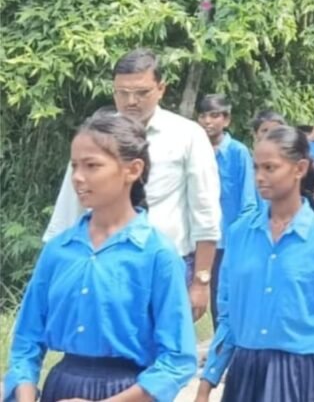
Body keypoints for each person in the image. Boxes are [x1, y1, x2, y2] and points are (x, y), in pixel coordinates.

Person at [4, 113, 197, 402]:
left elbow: (177, 360)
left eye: (92, 165)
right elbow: (26, 341)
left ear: (133, 170)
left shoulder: (157, 255)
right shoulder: (58, 250)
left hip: (129, 393)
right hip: (61, 389)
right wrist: (25, 396)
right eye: (74, 166)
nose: (78, 177)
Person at [42, 48, 221, 320]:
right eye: (122, 93)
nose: (130, 101)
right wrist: (51, 272)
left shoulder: (187, 136)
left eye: (141, 93)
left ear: (161, 89)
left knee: (162, 341)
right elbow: (69, 207)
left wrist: (201, 281)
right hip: (100, 265)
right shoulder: (95, 135)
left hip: (165, 266)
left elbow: (205, 211)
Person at [196, 126, 314, 402]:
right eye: (256, 168)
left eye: (270, 168)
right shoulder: (239, 234)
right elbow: (229, 317)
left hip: (303, 376)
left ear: (300, 169)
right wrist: (207, 383)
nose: (260, 177)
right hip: (247, 374)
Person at [197, 94, 257, 329]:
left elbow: (248, 201)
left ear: (226, 119)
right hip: (197, 237)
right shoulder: (194, 150)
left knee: (221, 300)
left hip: (226, 241)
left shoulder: (237, 152)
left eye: (214, 116)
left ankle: (225, 345)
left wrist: (240, 240)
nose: (207, 121)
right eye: (203, 115)